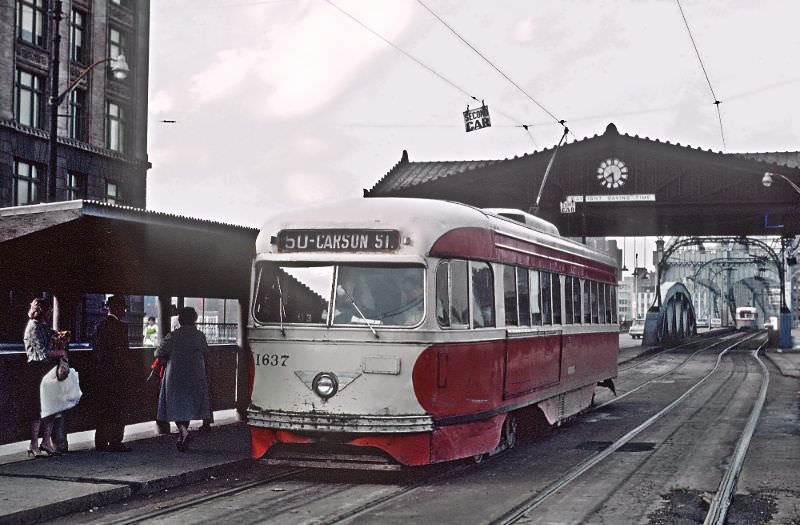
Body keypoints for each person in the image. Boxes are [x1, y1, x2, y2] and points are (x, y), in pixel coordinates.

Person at [155, 307, 212, 452]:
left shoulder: (173, 336)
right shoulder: (199, 336)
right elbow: (206, 352)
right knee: (187, 406)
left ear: (180, 320)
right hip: (195, 375)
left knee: (175, 405)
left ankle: (184, 432)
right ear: (194, 319)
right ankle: (182, 436)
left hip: (175, 376)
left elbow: (159, 352)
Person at [23, 298, 67, 458]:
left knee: (52, 407)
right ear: (43, 311)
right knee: (36, 409)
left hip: (46, 370)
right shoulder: (33, 328)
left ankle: (46, 441)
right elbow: (41, 353)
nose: (50, 313)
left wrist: (59, 338)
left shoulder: (43, 327)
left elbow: (52, 337)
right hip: (36, 370)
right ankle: (34, 444)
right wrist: (60, 353)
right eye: (49, 311)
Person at [92, 294, 132, 452]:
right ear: (118, 308)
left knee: (103, 408)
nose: (124, 311)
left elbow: (96, 349)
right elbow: (123, 353)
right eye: (123, 308)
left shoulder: (99, 326)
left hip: (101, 374)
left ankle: (100, 441)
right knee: (117, 409)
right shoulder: (122, 328)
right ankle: (115, 440)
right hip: (117, 375)